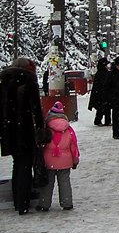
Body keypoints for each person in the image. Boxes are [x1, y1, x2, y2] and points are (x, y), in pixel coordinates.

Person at [0, 57, 46, 215]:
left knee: (16, 164)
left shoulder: (4, 83)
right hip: (26, 131)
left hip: (9, 132)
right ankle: (23, 204)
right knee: (25, 166)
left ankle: (17, 201)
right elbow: (36, 110)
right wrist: (40, 130)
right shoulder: (29, 82)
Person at [37, 100, 80, 211]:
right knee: (64, 182)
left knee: (48, 183)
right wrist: (75, 161)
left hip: (49, 161)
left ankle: (44, 204)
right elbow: (73, 147)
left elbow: (41, 145)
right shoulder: (69, 130)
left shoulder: (47, 130)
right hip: (65, 161)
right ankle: (67, 203)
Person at [88, 57, 111, 126]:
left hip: (100, 94)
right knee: (105, 108)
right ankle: (105, 121)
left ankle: (100, 120)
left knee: (101, 108)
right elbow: (105, 83)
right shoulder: (103, 73)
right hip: (103, 94)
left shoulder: (100, 72)